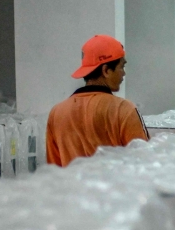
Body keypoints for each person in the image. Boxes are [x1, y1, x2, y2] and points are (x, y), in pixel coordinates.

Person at [46, 35, 149, 167]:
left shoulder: (57, 113)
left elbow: (53, 169)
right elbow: (144, 164)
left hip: (71, 187)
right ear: (106, 70)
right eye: (122, 67)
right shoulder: (124, 109)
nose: (124, 73)